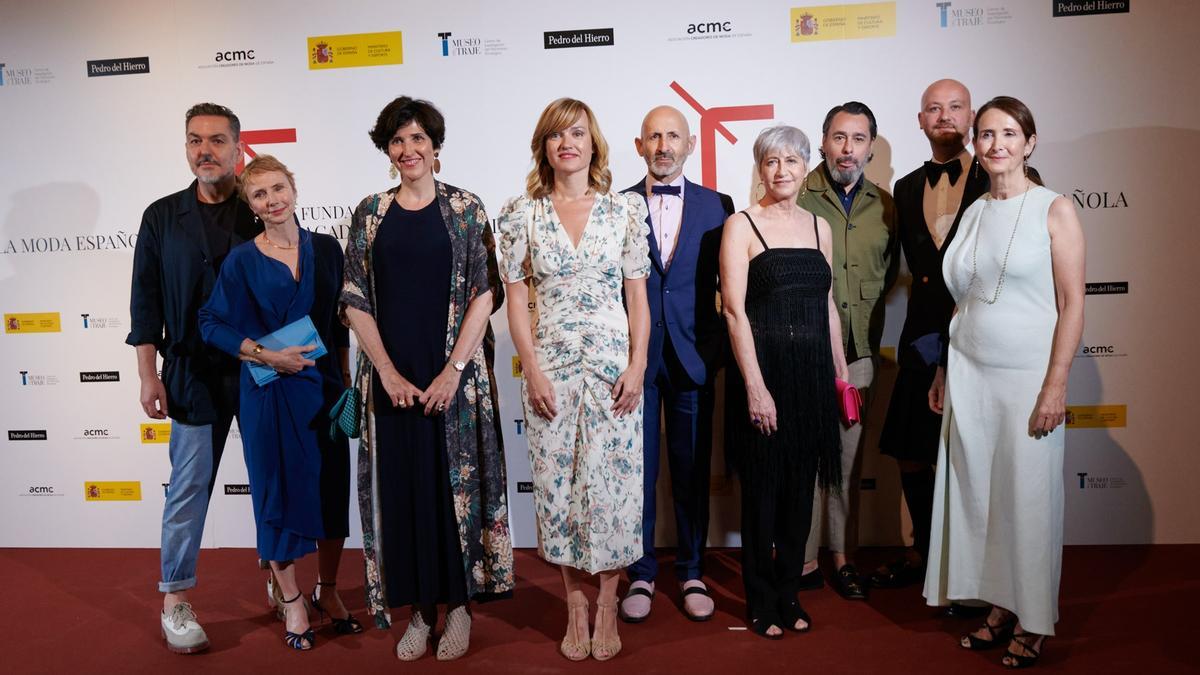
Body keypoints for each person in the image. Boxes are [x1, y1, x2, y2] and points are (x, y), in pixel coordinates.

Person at [340, 96, 514, 662]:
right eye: (397, 140)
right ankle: (417, 611)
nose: (408, 150)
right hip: (392, 383)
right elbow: (354, 297)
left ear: (434, 146)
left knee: (451, 493)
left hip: (455, 382)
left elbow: (485, 292)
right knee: (403, 493)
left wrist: (453, 371)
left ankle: (459, 606)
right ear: (386, 150)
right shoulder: (369, 212)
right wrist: (387, 372)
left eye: (417, 138)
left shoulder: (465, 209)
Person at [924, 96, 1085, 669]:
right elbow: (961, 303)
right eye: (986, 134)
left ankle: (1035, 621)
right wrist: (945, 367)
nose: (996, 144)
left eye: (1009, 133)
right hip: (970, 374)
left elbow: (1072, 304)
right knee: (983, 501)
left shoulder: (1054, 209)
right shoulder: (973, 212)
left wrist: (1056, 385)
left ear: (1030, 142)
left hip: (1027, 379)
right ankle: (1000, 606)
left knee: (1029, 501)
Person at [497, 97, 651, 661]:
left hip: (615, 372)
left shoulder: (623, 213)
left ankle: (608, 601)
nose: (568, 143)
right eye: (557, 135)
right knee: (559, 490)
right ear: (545, 146)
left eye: (578, 134)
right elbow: (516, 302)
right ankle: (575, 603)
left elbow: (638, 297)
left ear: (594, 144)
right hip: (552, 375)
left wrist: (637, 365)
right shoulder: (520, 214)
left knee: (613, 491)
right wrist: (531, 369)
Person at [198, 155, 361, 651]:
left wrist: (346, 379)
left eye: (277, 189)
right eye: (260, 195)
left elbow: (338, 325)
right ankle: (291, 600)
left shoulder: (328, 249)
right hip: (268, 394)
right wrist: (265, 355)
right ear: (250, 205)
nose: (272, 201)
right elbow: (212, 322)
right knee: (275, 494)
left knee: (331, 491)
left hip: (324, 392)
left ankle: (327, 591)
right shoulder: (242, 260)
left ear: (293, 187)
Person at [127, 103, 261, 654]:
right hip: (188, 374)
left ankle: (285, 582)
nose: (204, 150)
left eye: (215, 140)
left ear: (236, 147)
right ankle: (175, 600)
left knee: (271, 481)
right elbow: (145, 302)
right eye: (194, 140)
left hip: (258, 373)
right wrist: (147, 376)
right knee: (187, 491)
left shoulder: (260, 210)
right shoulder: (161, 217)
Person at [721, 125, 848, 639]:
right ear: (760, 169)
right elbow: (733, 311)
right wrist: (755, 385)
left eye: (791, 161)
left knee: (801, 494)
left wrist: (840, 379)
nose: (782, 171)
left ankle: (790, 592)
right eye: (771, 162)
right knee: (763, 495)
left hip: (813, 379)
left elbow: (830, 309)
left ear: (805, 166)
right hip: (766, 375)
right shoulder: (742, 225)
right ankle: (760, 597)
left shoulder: (821, 227)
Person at [871, 79, 989, 601]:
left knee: (973, 454)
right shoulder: (906, 187)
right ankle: (923, 554)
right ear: (920, 120)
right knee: (912, 451)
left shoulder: (1002, 176)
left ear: (971, 118)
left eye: (955, 107)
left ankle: (974, 566)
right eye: (933, 108)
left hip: (981, 332)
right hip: (921, 334)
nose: (944, 115)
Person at [617, 105, 734, 624]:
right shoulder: (613, 206)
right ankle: (639, 572)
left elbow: (729, 289)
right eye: (653, 137)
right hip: (632, 363)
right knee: (634, 474)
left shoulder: (719, 205)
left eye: (673, 136)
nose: (663, 145)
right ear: (639, 146)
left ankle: (691, 570)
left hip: (694, 359)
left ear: (690, 144)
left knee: (690, 471)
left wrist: (713, 355)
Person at [796, 102, 897, 601]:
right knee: (804, 459)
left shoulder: (886, 205)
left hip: (858, 354)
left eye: (858, 139)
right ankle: (804, 556)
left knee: (846, 462)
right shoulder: (798, 193)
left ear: (871, 147)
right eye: (839, 137)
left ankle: (842, 556)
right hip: (804, 350)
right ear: (823, 142)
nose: (847, 149)